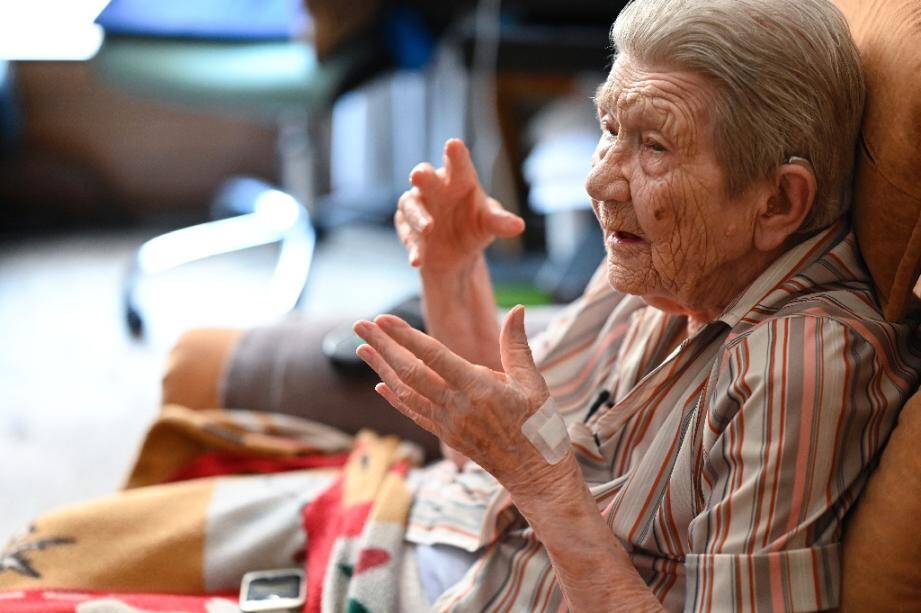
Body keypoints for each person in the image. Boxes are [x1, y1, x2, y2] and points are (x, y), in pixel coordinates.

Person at [350, 0, 921, 610]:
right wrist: (452, 269)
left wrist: (539, 478)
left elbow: (527, 464)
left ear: (778, 201)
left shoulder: (799, 366)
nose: (599, 181)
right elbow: (484, 449)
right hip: (422, 531)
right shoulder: (673, 262)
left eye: (654, 146)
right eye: (609, 128)